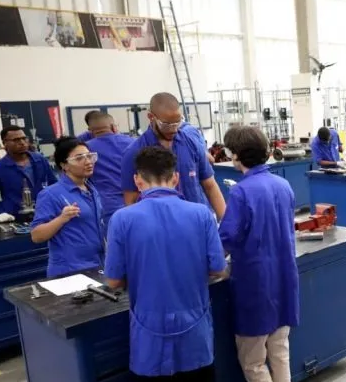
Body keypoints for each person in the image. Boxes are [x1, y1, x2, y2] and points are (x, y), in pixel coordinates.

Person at [104, 146, 231, 382]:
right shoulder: (200, 215)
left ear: (137, 180)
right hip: (195, 322)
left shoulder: (123, 219)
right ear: (176, 178)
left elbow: (113, 280)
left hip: (149, 327)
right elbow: (218, 269)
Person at [218, 126, 299, 382]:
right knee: (279, 351)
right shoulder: (282, 184)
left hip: (255, 284)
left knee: (253, 361)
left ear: (235, 155)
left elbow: (228, 237)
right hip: (283, 279)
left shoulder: (240, 192)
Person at [120, 92, 226, 220]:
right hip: (159, 229)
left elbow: (210, 186)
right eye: (167, 125)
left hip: (196, 223)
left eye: (177, 123)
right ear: (151, 117)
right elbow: (130, 201)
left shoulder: (190, 143)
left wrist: (226, 223)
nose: (174, 129)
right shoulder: (134, 152)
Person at [30, 137, 104, 278]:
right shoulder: (50, 194)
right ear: (64, 165)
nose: (88, 162)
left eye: (90, 156)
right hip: (69, 270)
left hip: (97, 265)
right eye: (79, 158)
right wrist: (62, 219)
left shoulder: (91, 189)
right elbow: (37, 236)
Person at [0, 126, 57, 223]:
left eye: (24, 138)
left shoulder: (40, 160)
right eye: (16, 140)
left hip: (46, 216)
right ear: (5, 143)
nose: (22, 142)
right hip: (17, 220)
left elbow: (54, 185)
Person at [86, 114, 134, 228]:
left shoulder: (86, 149)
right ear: (113, 126)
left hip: (107, 206)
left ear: (90, 131)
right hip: (135, 201)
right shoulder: (133, 142)